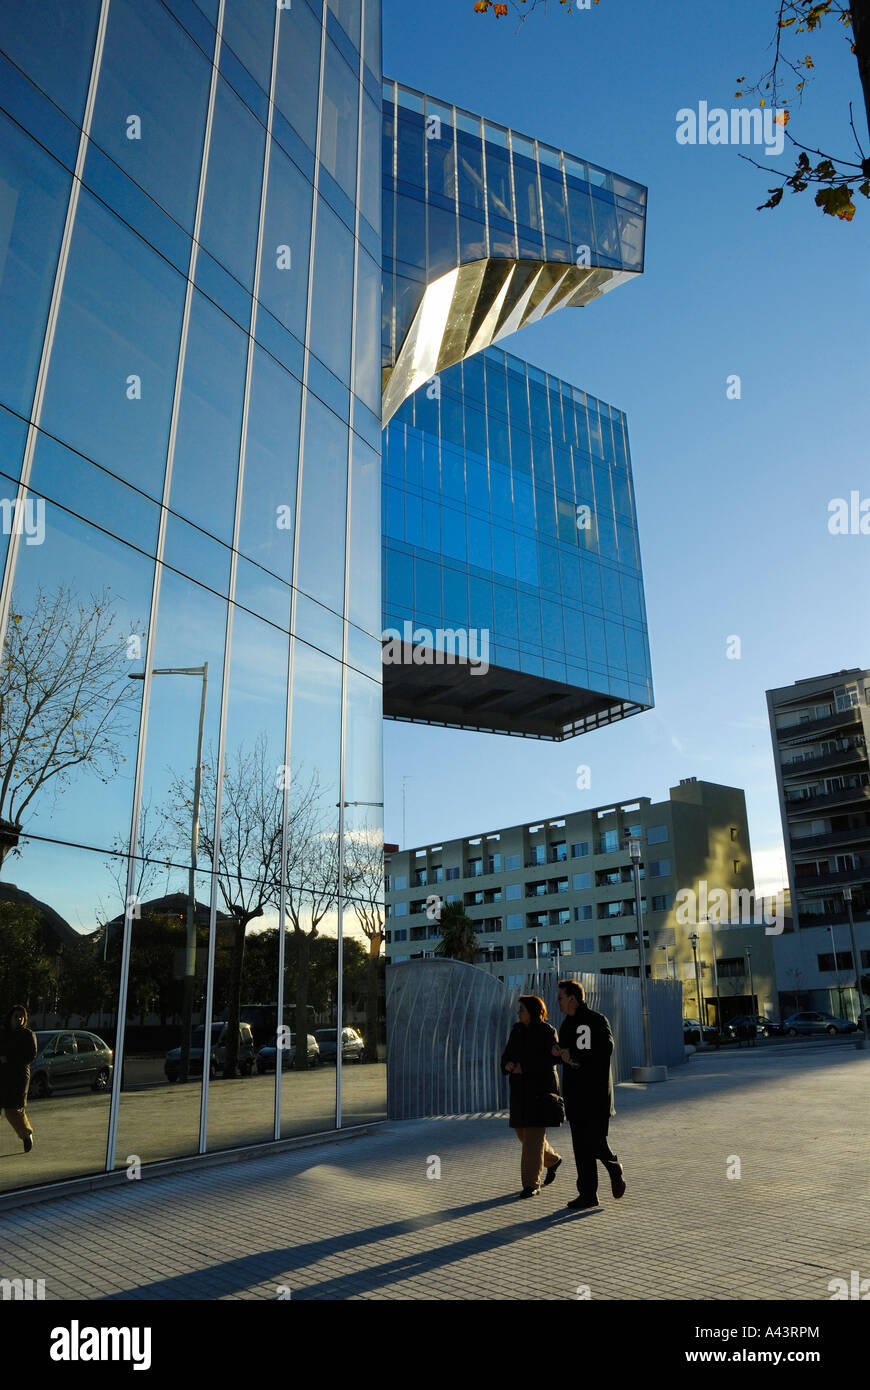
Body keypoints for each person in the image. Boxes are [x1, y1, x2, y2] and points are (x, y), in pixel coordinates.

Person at [553, 979, 625, 1211]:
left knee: (595, 1142)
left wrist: (571, 1054)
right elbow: (564, 1054)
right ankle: (587, 1194)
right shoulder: (566, 1025)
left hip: (594, 1096)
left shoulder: (596, 1020)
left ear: (572, 998)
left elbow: (606, 1049)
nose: (558, 1001)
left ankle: (614, 1167)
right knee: (581, 1148)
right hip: (575, 1096)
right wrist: (557, 1053)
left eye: (561, 997)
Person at [500, 995, 563, 1198]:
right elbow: (506, 1055)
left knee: (532, 1141)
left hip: (540, 1092)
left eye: (522, 1009)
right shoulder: (516, 1031)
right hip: (520, 1093)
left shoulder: (547, 1031)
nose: (518, 1013)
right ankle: (552, 1160)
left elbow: (551, 1060)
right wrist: (507, 1064)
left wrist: (524, 1068)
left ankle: (531, 1184)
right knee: (523, 1134)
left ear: (533, 1012)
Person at [0, 1004, 37, 1153]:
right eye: (16, 1016)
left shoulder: (27, 1035)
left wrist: (9, 1058)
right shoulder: (3, 1033)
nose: (19, 1019)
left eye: (22, 1016)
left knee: (13, 1110)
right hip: (2, 1075)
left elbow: (31, 1055)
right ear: (10, 1018)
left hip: (18, 1077)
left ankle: (26, 1135)